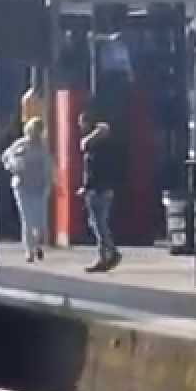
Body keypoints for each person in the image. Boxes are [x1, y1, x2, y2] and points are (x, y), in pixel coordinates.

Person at [1, 117, 52, 263]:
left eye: (39, 131)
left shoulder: (43, 147)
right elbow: (5, 157)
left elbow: (48, 166)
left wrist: (49, 182)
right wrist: (13, 167)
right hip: (22, 186)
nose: (36, 134)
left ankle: (37, 245)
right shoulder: (20, 144)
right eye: (34, 130)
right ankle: (29, 251)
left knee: (41, 222)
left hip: (39, 187)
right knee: (28, 220)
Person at [77, 113, 122, 273]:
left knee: (98, 224)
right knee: (99, 223)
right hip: (107, 189)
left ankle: (111, 252)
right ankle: (104, 257)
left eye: (81, 123)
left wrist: (86, 187)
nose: (80, 126)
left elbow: (91, 171)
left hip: (97, 190)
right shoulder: (110, 148)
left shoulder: (93, 148)